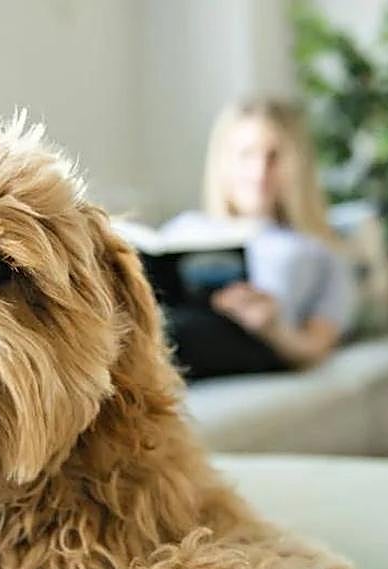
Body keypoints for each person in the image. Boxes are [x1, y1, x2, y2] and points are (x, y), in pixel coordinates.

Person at [144, 97, 356, 380]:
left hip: (250, 341)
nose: (259, 171)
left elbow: (316, 346)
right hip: (164, 324)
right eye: (246, 154)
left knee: (173, 332)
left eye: (274, 156)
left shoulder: (317, 249)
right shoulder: (185, 228)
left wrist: (273, 328)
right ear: (224, 162)